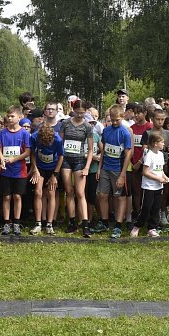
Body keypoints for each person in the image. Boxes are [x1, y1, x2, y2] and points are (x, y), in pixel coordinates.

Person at [58, 101, 95, 237]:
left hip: (80, 160)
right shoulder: (66, 123)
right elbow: (60, 143)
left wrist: (87, 167)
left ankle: (85, 224)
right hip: (66, 160)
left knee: (80, 193)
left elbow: (90, 149)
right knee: (69, 191)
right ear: (73, 110)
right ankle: (72, 222)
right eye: (77, 112)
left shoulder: (87, 126)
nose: (80, 114)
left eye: (82, 112)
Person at [97, 105, 133, 240]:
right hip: (106, 167)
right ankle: (105, 222)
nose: (114, 122)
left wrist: (123, 175)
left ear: (122, 117)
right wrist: (100, 168)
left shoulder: (125, 133)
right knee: (102, 195)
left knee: (120, 197)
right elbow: (104, 150)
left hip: (118, 169)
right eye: (112, 120)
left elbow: (128, 155)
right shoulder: (106, 131)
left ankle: (118, 225)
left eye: (117, 120)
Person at [0, 105, 30, 236]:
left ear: (19, 117)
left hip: (19, 170)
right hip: (6, 170)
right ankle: (6, 223)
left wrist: (14, 159)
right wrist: (2, 160)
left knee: (17, 196)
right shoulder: (3, 133)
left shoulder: (24, 133)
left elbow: (27, 152)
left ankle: (16, 222)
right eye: (8, 116)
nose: (10, 118)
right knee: (6, 196)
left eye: (12, 116)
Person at [131, 132, 168, 238]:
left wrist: (164, 177)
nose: (163, 144)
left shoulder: (161, 155)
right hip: (149, 187)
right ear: (155, 143)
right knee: (146, 208)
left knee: (156, 208)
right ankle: (137, 225)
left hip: (158, 187)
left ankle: (152, 228)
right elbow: (146, 172)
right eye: (162, 142)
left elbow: (159, 170)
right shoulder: (149, 155)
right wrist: (158, 178)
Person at [30, 123, 63, 234]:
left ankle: (49, 224)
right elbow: (32, 153)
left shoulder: (57, 139)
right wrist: (35, 169)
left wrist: (55, 175)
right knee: (38, 193)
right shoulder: (34, 137)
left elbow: (61, 157)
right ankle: (38, 223)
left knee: (51, 193)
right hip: (40, 167)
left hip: (52, 167)